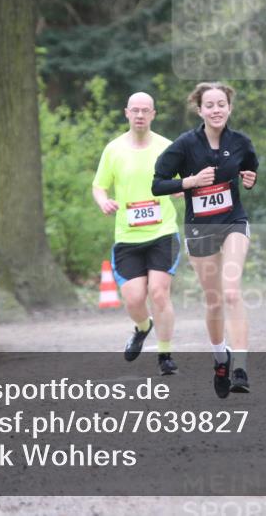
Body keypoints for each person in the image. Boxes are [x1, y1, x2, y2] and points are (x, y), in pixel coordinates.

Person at [152, 82, 258, 398]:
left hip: (233, 222)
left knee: (231, 292)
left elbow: (250, 168)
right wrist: (191, 182)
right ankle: (220, 357)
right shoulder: (184, 145)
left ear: (229, 107)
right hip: (200, 230)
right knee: (213, 300)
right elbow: (157, 185)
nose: (216, 110)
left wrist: (250, 180)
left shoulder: (240, 142)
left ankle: (240, 366)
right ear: (199, 110)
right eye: (209, 105)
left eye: (221, 104)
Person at [93, 92, 182, 376]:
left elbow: (184, 181)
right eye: (135, 110)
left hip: (163, 231)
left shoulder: (168, 147)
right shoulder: (114, 149)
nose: (140, 115)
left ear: (154, 114)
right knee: (133, 299)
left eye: (146, 110)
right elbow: (99, 186)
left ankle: (165, 355)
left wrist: (182, 189)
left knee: (158, 292)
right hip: (128, 237)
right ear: (127, 113)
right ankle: (143, 328)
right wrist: (103, 201)